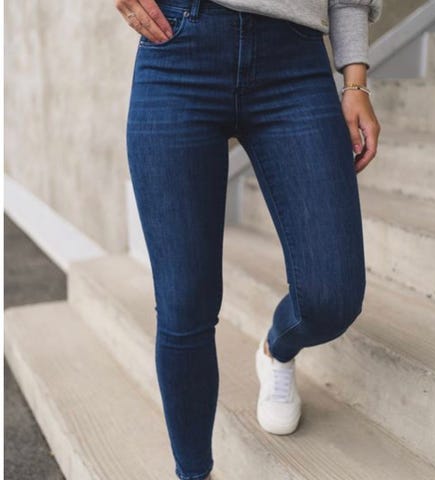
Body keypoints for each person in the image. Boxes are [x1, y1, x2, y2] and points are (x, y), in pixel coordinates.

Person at [116, 0, 382, 478]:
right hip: (176, 45)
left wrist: (355, 81)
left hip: (295, 62)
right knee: (184, 304)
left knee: (332, 298)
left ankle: (277, 349)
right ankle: (194, 473)